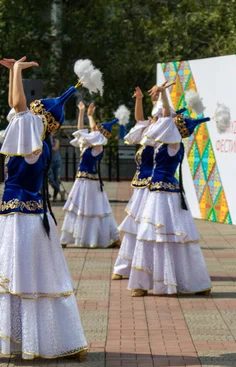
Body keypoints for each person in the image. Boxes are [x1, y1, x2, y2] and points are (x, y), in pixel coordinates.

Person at [0, 57, 88, 363]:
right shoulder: (37, 137)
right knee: (39, 280)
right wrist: (12, 73)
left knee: (6, 276)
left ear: (41, 118)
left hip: (21, 220)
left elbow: (19, 106)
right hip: (31, 218)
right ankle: (59, 342)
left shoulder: (32, 131)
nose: (30, 106)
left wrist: (18, 71)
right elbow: (16, 105)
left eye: (37, 107)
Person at [127, 84, 212, 296]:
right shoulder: (163, 143)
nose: (165, 123)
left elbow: (165, 116)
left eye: (171, 122)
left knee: (165, 237)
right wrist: (158, 97)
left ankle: (177, 281)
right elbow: (157, 119)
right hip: (157, 194)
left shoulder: (174, 144)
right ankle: (144, 283)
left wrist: (164, 95)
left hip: (165, 196)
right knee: (151, 235)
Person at [60, 102, 121, 248]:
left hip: (89, 181)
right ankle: (67, 238)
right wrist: (81, 112)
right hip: (82, 180)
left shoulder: (98, 148)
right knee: (79, 208)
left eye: (99, 131)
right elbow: (81, 130)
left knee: (91, 210)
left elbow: (93, 131)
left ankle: (95, 238)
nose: (95, 131)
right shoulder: (89, 145)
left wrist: (90, 115)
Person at [112, 86, 157, 280]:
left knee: (149, 225)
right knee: (133, 227)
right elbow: (140, 120)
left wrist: (159, 99)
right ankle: (126, 265)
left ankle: (150, 267)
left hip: (155, 187)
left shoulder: (166, 130)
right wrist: (139, 99)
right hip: (141, 187)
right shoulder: (148, 128)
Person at [49, 128, 63, 201]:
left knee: (57, 179)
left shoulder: (56, 141)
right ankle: (59, 191)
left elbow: (55, 148)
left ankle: (55, 196)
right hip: (49, 162)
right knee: (50, 179)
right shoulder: (46, 140)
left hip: (57, 161)